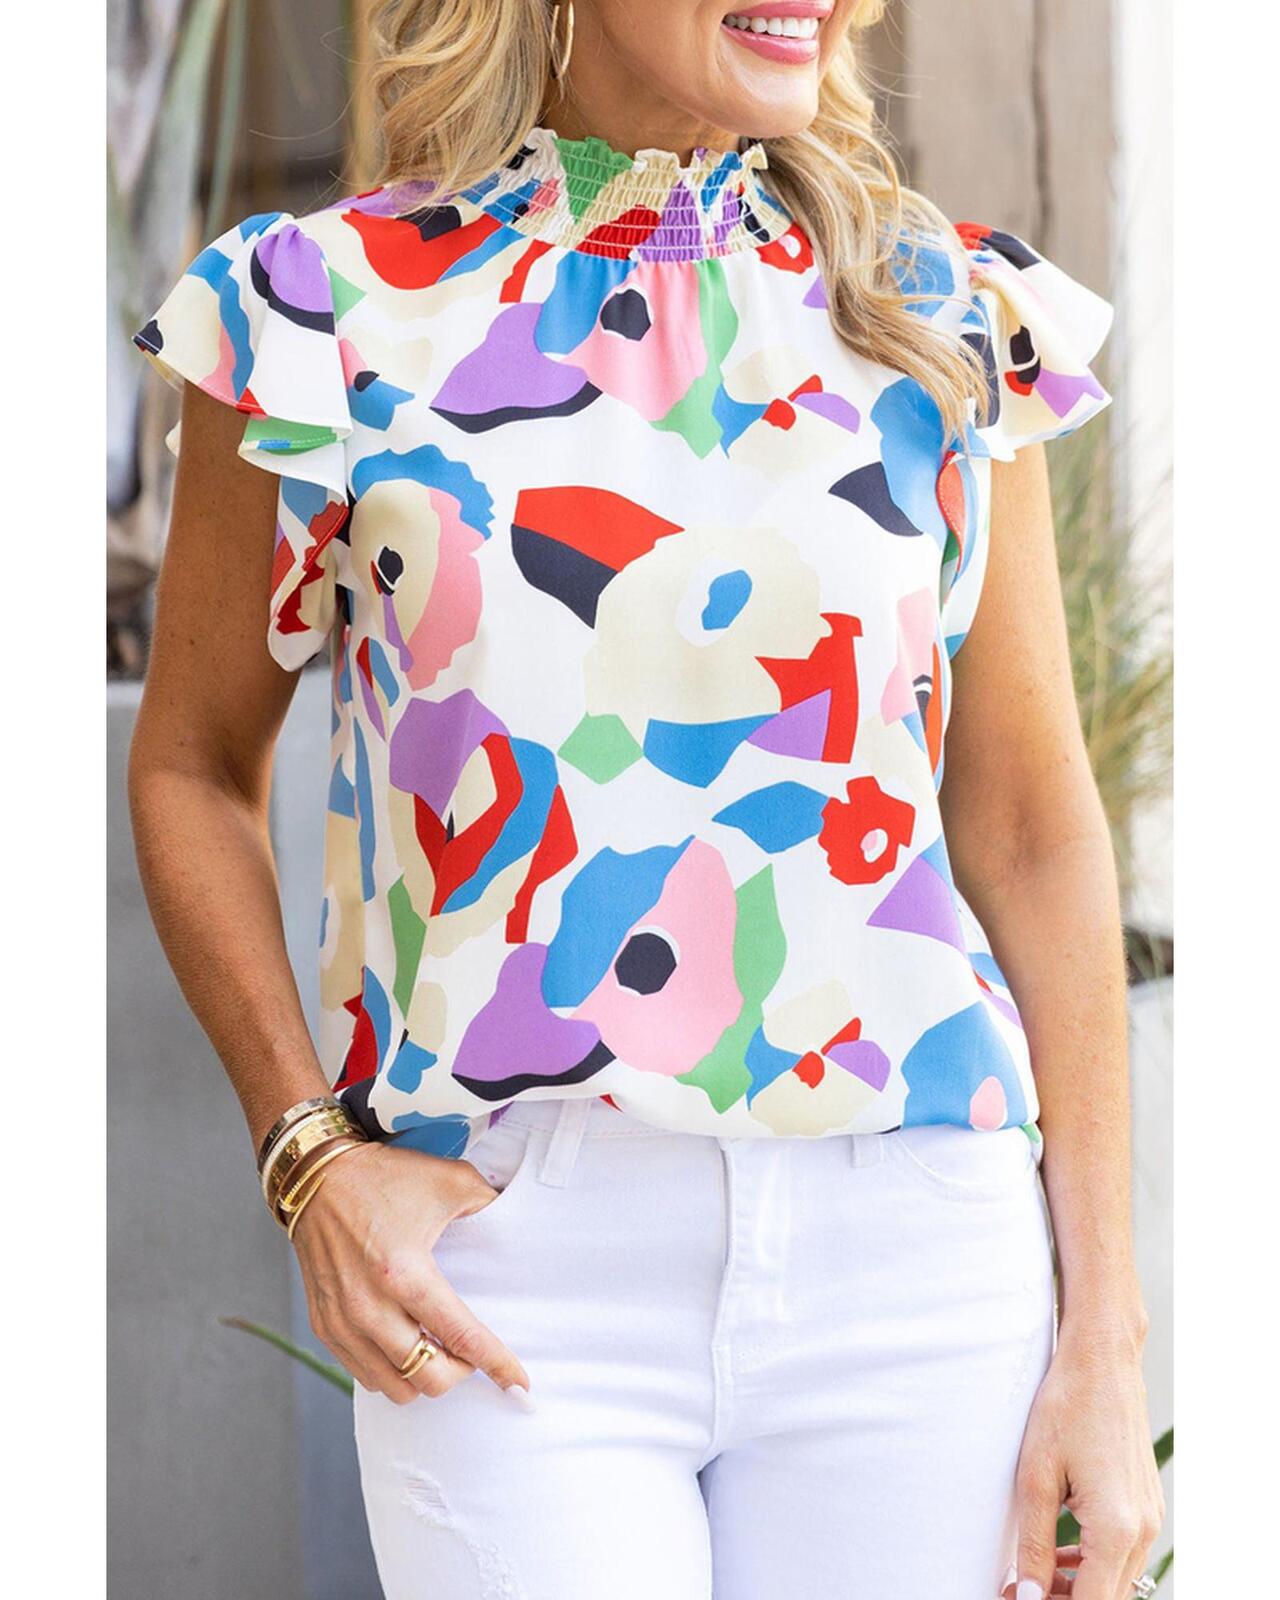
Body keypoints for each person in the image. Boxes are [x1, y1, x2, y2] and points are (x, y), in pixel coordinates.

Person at [127, 2, 1165, 1596]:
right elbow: (193, 764)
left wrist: (1106, 1338)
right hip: (508, 1272)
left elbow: (1032, 827)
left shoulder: (943, 313)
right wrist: (308, 1156)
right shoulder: (322, 314)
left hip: (919, 1263)